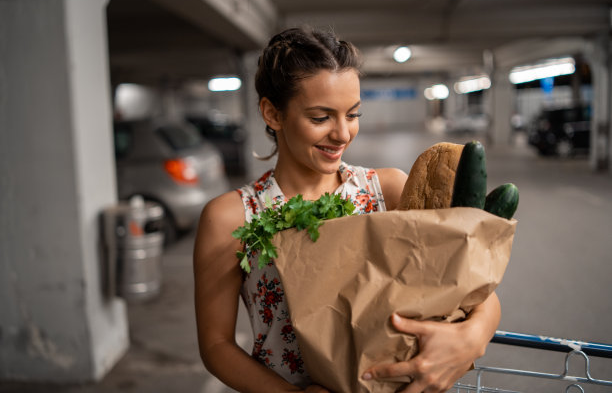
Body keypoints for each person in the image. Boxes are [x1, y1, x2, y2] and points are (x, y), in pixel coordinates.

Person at [193, 27, 501, 393]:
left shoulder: (388, 191)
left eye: (352, 114)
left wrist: (473, 336)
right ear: (272, 113)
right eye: (321, 117)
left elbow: (472, 287)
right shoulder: (232, 217)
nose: (342, 134)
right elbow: (216, 346)